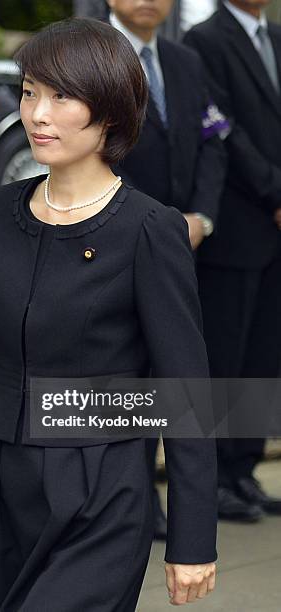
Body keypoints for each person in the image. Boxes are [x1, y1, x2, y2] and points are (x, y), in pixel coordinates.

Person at [0, 17, 218, 610]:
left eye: (61, 96)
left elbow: (186, 393)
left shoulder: (150, 230)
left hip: (102, 491)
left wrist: (192, 539)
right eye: (30, 92)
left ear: (108, 112)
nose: (37, 114)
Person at [107, 0, 227, 540]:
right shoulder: (95, 59)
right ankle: (130, 495)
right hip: (113, 243)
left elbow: (212, 141)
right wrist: (149, 223)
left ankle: (172, 496)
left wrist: (199, 216)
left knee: (173, 375)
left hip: (184, 245)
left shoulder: (183, 60)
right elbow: (91, 155)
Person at [184, 0, 281, 522]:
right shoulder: (206, 40)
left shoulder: (278, 38)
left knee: (265, 354)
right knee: (224, 354)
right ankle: (213, 477)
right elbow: (225, 133)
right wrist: (275, 193)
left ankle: (244, 468)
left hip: (276, 232)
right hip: (239, 221)